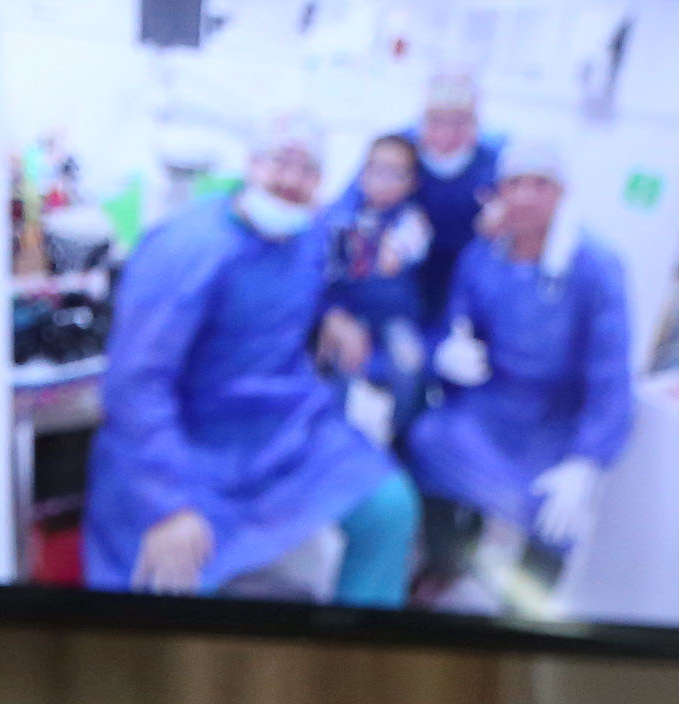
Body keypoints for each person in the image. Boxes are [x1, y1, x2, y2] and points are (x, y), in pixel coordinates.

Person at [82, 114, 417, 606]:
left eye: (308, 170)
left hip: (281, 431)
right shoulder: (188, 247)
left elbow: (341, 269)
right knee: (172, 577)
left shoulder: (309, 236)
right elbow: (135, 385)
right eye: (279, 162)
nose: (290, 180)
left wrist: (333, 316)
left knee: (391, 506)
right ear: (251, 163)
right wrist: (169, 503)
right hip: (187, 445)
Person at [405, 136, 634, 606]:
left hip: (557, 421)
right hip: (491, 407)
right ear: (498, 192)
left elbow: (612, 377)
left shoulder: (595, 266)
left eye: (540, 184)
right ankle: (447, 561)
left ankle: (523, 610)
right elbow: (451, 330)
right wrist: (445, 355)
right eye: (515, 184)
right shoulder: (481, 256)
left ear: (561, 194)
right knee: (428, 440)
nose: (526, 196)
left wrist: (587, 461)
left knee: (557, 513)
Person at [320, 133, 437, 441]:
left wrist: (389, 250)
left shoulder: (412, 221)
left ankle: (401, 435)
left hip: (395, 315)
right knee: (341, 360)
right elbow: (327, 270)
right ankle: (334, 435)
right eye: (377, 169)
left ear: (411, 182)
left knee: (409, 362)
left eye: (396, 173)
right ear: (362, 173)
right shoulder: (341, 218)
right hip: (351, 312)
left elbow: (399, 253)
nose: (383, 180)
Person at [388, 70, 504, 323]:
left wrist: (505, 223)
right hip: (406, 278)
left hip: (470, 277)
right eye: (436, 120)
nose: (446, 134)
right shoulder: (397, 150)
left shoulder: (496, 160)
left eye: (460, 121)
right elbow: (347, 209)